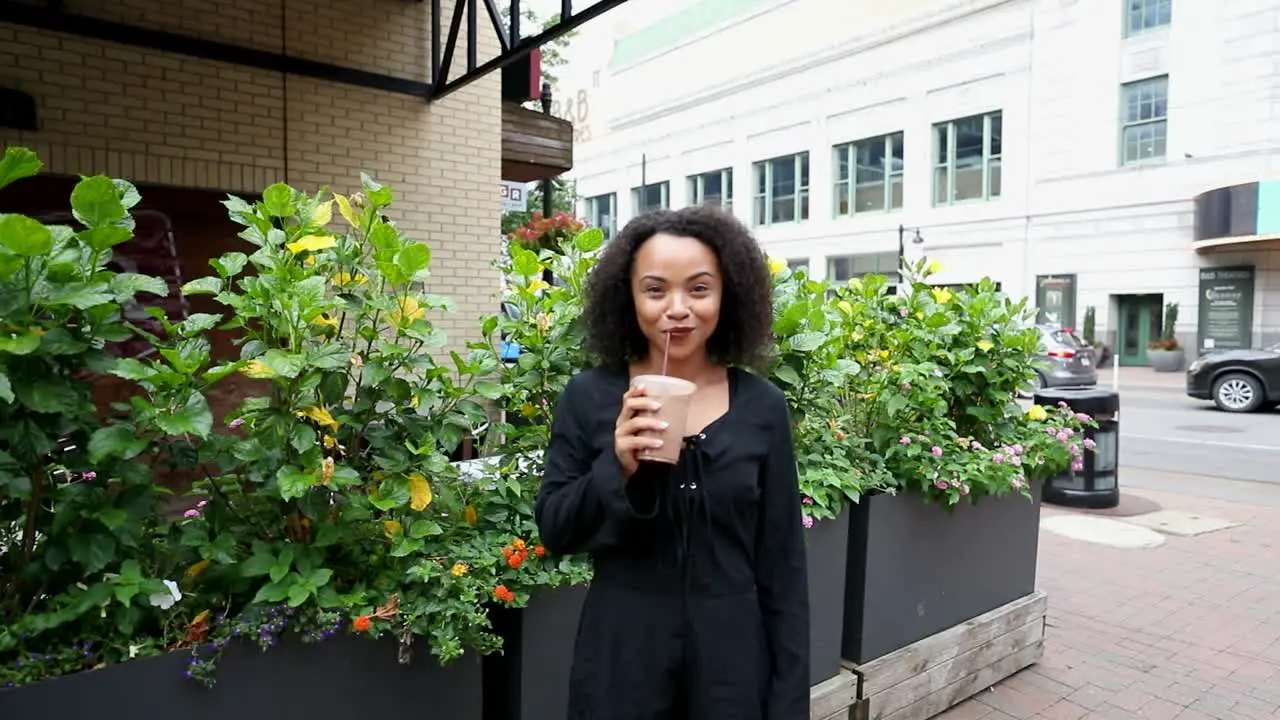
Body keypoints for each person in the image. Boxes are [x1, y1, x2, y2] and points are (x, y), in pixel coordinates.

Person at [534, 205, 810, 719]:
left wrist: (790, 700)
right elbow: (556, 530)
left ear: (729, 295)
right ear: (628, 296)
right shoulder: (590, 396)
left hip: (733, 655)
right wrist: (615, 464)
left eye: (699, 289)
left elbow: (784, 567)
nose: (677, 308)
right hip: (622, 652)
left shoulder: (762, 406)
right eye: (656, 289)